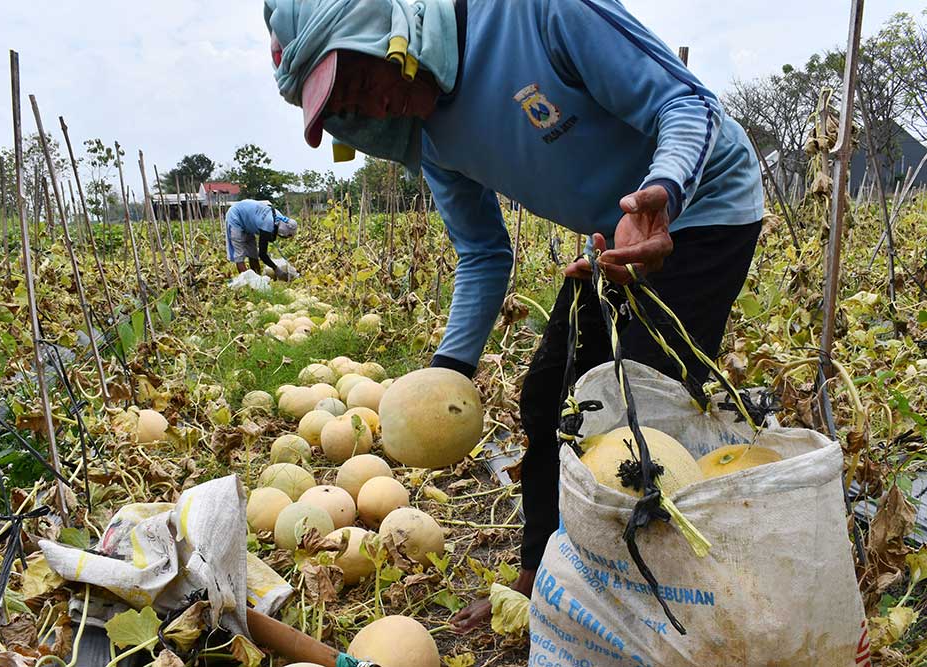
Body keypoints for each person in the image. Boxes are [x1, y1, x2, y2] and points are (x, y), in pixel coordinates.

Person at [265, 0, 764, 634]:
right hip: (610, 240)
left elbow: (687, 105)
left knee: (640, 416)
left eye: (362, 81)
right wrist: (446, 372)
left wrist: (664, 188)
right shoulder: (434, 137)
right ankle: (540, 577)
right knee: (546, 399)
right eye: (349, 107)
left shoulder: (535, 14)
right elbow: (482, 253)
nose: (369, 107)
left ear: (384, 33)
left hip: (704, 208)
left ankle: (652, 607)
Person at [225, 198, 299, 277]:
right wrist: (276, 269)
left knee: (253, 253)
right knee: (239, 255)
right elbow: (263, 254)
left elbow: (270, 238)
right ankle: (247, 283)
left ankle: (258, 279)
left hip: (248, 220)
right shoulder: (268, 225)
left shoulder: (279, 218)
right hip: (235, 216)